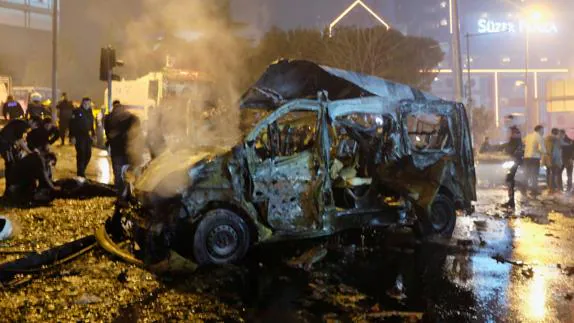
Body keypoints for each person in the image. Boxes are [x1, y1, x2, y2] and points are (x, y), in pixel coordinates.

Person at [104, 100, 141, 197]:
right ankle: (131, 193)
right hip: (129, 150)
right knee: (130, 173)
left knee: (118, 173)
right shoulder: (130, 117)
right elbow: (137, 126)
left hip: (117, 150)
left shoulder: (109, 117)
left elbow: (108, 133)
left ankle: (120, 194)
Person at [0, 119, 31, 196]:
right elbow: (20, 141)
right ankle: (9, 189)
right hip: (5, 146)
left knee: (11, 165)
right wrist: (30, 152)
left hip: (5, 144)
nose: (26, 132)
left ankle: (10, 188)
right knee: (10, 166)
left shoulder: (19, 123)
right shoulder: (22, 125)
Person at [69, 97, 95, 178]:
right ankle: (80, 173)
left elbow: (91, 125)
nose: (86, 105)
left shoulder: (90, 112)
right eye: (85, 104)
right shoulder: (77, 111)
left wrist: (94, 134)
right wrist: (72, 136)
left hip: (87, 136)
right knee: (81, 154)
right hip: (79, 136)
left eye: (88, 104)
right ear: (82, 103)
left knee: (88, 154)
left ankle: (82, 170)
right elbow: (71, 124)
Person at [501, 119, 524, 209]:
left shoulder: (515, 136)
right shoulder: (516, 137)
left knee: (510, 180)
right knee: (510, 180)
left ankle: (511, 201)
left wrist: (506, 151)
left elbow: (511, 148)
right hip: (515, 160)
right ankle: (511, 200)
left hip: (515, 161)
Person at [523, 125, 546, 194]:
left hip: (526, 157)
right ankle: (534, 190)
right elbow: (541, 149)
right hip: (534, 158)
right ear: (539, 130)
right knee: (534, 174)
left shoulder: (528, 136)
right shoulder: (539, 137)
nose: (543, 132)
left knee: (527, 174)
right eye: (542, 130)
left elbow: (523, 142)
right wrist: (545, 152)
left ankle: (523, 189)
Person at [543, 128, 563, 194]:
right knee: (553, 173)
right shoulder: (556, 140)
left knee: (548, 172)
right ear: (556, 132)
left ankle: (549, 187)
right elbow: (555, 151)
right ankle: (552, 188)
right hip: (553, 158)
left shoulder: (546, 139)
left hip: (546, 158)